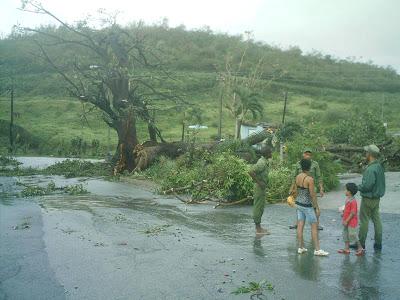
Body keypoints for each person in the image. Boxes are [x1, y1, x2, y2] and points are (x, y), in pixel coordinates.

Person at [294, 158, 329, 256]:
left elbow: (297, 190)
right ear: (310, 167)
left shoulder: (297, 177)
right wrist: (317, 207)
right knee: (314, 226)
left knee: (300, 226)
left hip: (299, 204)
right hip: (307, 206)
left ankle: (300, 247)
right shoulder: (310, 179)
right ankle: (317, 249)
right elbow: (313, 195)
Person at [358, 144, 385, 251]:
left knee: (364, 221)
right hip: (376, 198)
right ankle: (378, 244)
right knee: (377, 220)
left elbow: (367, 186)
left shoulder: (370, 169)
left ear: (369, 154)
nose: (365, 154)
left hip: (368, 198)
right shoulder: (379, 166)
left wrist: (357, 187)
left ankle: (361, 244)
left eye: (366, 153)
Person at [289, 148, 324, 230]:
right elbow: (294, 177)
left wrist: (321, 188)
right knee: (299, 205)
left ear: (311, 155)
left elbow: (319, 177)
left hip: (311, 187)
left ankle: (317, 224)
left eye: (309, 154)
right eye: (306, 153)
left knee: (314, 205)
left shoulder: (315, 164)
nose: (307, 155)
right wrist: (292, 188)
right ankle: (297, 224)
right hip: (300, 189)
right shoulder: (298, 164)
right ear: (303, 154)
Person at [249, 147, 271, 236]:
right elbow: (250, 171)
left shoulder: (264, 161)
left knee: (260, 207)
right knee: (258, 207)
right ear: (267, 153)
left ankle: (259, 228)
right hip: (259, 187)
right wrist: (259, 183)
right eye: (270, 151)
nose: (271, 153)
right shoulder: (261, 163)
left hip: (261, 187)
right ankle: (258, 229)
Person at [338, 183, 364, 256]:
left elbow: (353, 213)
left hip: (351, 222)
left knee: (353, 234)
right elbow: (347, 210)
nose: (344, 191)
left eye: (345, 189)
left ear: (349, 192)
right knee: (345, 234)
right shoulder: (348, 199)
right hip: (346, 220)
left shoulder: (353, 201)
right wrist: (343, 213)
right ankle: (346, 248)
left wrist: (346, 220)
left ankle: (360, 248)